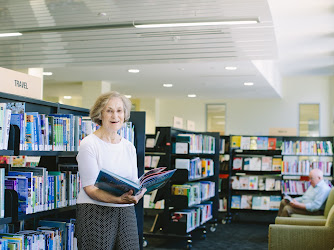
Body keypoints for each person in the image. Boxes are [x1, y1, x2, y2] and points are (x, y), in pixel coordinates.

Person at [75, 91, 146, 249]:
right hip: (95, 211)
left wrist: (139, 193)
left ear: (125, 114)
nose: (115, 116)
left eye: (119, 111)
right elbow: (90, 188)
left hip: (125, 211)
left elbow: (133, 182)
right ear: (100, 114)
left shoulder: (128, 146)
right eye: (109, 110)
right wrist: (119, 200)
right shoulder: (89, 144)